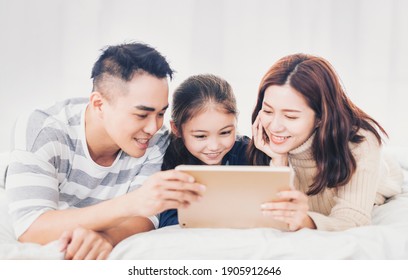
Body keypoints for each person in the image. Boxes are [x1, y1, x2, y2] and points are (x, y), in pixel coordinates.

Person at [5, 42, 205, 259]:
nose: (153, 127)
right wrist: (132, 202)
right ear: (99, 105)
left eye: (160, 113)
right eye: (141, 115)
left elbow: (146, 217)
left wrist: (108, 237)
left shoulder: (157, 140)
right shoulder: (43, 131)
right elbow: (30, 229)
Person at [248, 53, 403, 232]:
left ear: (321, 117)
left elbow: (352, 219)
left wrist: (305, 221)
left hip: (383, 176)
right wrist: (279, 161)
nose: (274, 127)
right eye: (267, 111)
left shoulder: (360, 144)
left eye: (290, 116)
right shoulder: (265, 142)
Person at [158, 74, 249, 228]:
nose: (214, 146)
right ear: (176, 129)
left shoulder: (246, 151)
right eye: (200, 136)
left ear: (236, 121)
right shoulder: (171, 158)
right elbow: (167, 219)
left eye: (225, 132)